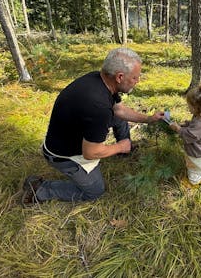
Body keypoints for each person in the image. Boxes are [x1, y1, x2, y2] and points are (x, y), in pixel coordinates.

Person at [22, 47, 164, 205]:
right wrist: (120, 146)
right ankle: (40, 190)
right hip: (62, 156)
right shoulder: (98, 108)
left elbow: (119, 110)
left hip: (65, 136)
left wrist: (149, 119)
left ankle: (125, 150)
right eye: (135, 78)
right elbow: (90, 152)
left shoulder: (99, 79)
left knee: (117, 117)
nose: (138, 81)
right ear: (120, 77)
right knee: (95, 191)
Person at [169, 81, 201, 189]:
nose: (188, 108)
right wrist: (187, 124)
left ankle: (193, 183)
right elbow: (196, 128)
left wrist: (178, 129)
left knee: (194, 169)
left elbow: (189, 136)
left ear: (198, 107)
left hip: (198, 154)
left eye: (190, 106)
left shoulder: (200, 122)